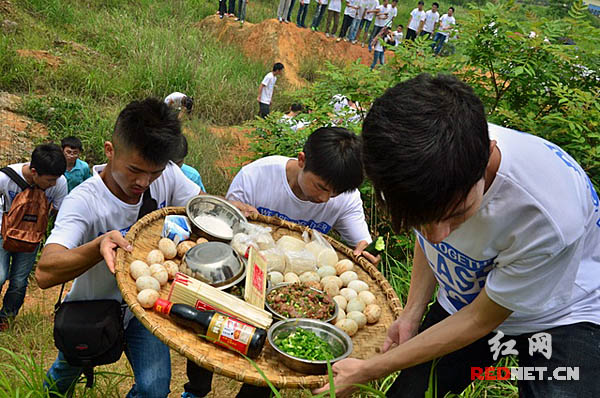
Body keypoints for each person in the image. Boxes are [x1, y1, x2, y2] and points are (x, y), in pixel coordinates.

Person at [313, 73, 600, 398]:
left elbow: (480, 319)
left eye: (457, 215)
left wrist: (371, 368)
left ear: (488, 154)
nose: (437, 237)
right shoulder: (417, 160)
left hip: (563, 314)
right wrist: (412, 312)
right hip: (470, 296)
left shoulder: (547, 214)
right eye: (421, 222)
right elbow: (432, 239)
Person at [36, 98, 206, 397]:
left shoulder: (165, 174)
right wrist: (98, 245)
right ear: (109, 150)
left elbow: (200, 204)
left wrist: (220, 210)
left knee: (154, 389)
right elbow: (45, 272)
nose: (143, 181)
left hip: (145, 308)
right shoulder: (84, 201)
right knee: (67, 370)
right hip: (93, 308)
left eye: (153, 173)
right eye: (134, 170)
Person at [0, 144, 67, 331]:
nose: (53, 184)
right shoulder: (5, 178)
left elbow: (61, 212)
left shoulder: (59, 182)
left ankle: (6, 318)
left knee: (19, 281)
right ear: (34, 171)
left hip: (32, 238)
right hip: (2, 233)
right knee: (0, 275)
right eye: (49, 180)